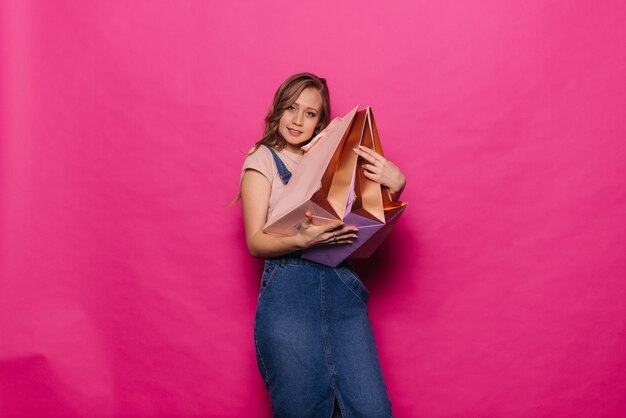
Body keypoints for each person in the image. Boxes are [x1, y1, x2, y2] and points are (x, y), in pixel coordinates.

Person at [239, 73, 406, 417]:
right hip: (289, 303)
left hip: (344, 299)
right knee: (301, 410)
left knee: (372, 409)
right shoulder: (263, 160)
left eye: (310, 113)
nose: (298, 120)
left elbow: (365, 231)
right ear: (278, 110)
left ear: (321, 122)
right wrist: (303, 239)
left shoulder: (338, 164)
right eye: (291, 108)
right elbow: (255, 242)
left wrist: (395, 188)